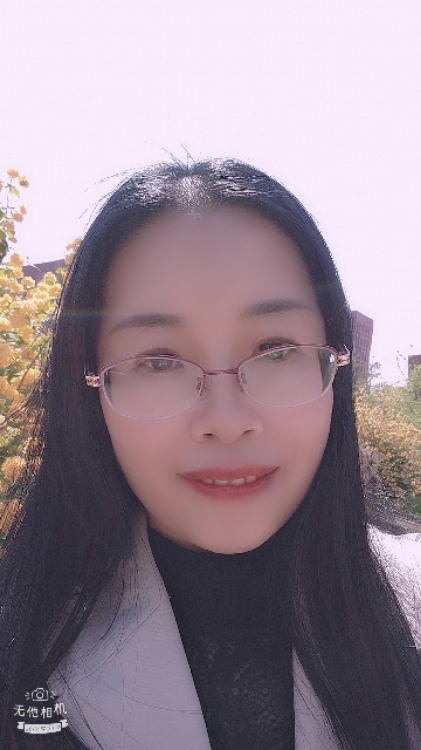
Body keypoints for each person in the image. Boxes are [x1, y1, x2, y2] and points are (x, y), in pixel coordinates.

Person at [1, 158, 421, 750]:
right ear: (89, 387)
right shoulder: (21, 647)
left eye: (277, 350)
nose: (225, 422)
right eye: (158, 361)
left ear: (336, 365)